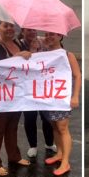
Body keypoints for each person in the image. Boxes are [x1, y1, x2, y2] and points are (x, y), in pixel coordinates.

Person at [0, 21, 31, 177]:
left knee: (12, 127)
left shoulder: (19, 43)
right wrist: (18, 57)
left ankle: (14, 156)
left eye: (12, 25)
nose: (10, 28)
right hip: (0, 95)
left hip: (16, 94)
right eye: (6, 25)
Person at [42, 32, 81, 176]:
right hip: (47, 98)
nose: (49, 37)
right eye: (47, 35)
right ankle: (59, 153)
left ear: (60, 36)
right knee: (54, 126)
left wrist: (75, 96)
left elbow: (77, 75)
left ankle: (65, 163)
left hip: (61, 98)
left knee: (63, 128)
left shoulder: (67, 55)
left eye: (52, 35)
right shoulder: (43, 54)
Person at [19, 28, 56, 158]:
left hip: (43, 86)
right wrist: (32, 52)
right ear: (23, 31)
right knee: (30, 117)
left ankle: (49, 143)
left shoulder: (42, 41)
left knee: (47, 117)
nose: (32, 32)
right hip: (28, 88)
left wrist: (50, 42)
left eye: (33, 30)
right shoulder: (19, 44)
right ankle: (32, 145)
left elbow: (56, 50)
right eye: (28, 30)